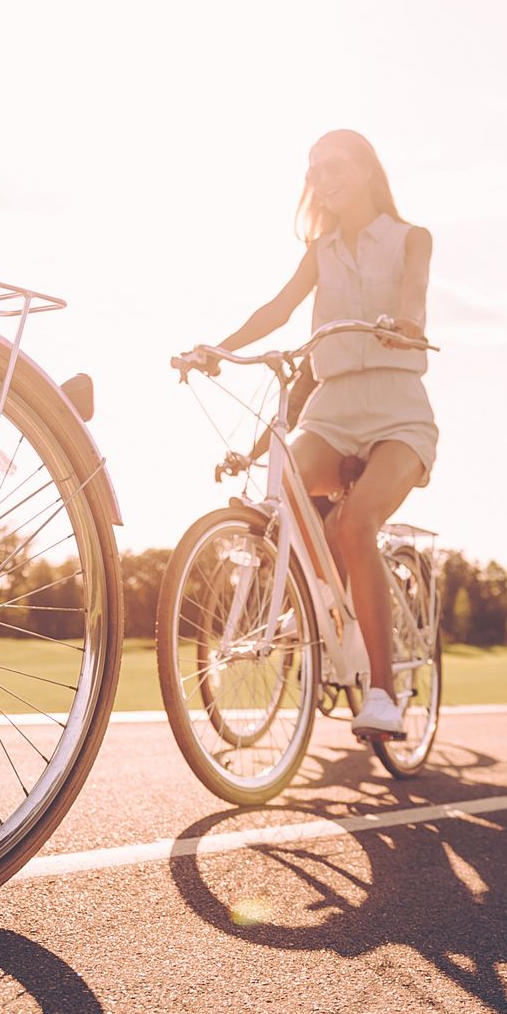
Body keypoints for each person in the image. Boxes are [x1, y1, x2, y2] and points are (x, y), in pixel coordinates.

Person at [177, 129, 436, 742]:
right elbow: (279, 307)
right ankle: (313, 607)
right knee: (281, 489)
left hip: (398, 409)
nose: (321, 178)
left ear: (367, 168)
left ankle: (383, 693)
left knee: (354, 525)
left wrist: (406, 324)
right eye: (313, 170)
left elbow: (415, 293)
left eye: (333, 165)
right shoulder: (320, 249)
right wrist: (220, 346)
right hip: (332, 407)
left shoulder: (411, 238)